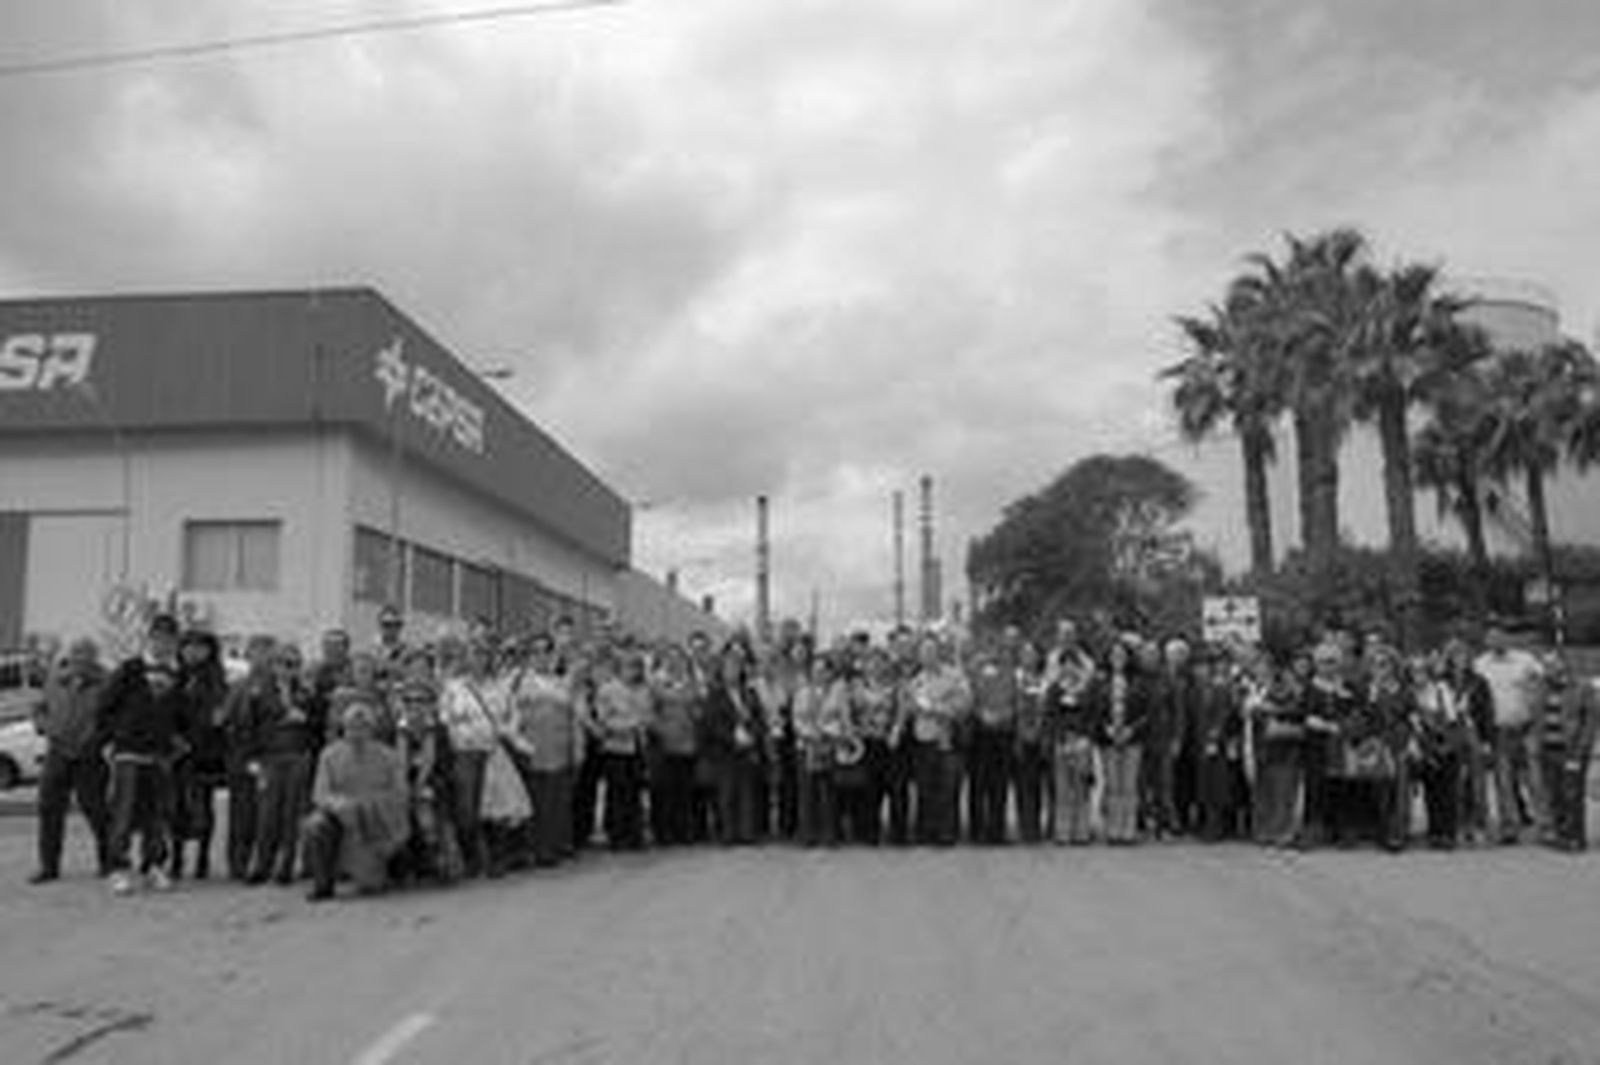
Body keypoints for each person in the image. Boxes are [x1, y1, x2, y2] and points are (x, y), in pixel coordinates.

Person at [99, 613, 187, 895]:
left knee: (158, 815)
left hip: (161, 756)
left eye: (170, 639)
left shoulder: (179, 674)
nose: (164, 644)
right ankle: (118, 868)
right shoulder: (130, 669)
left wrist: (182, 741)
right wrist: (112, 739)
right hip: (129, 754)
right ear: (149, 639)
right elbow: (105, 706)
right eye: (158, 638)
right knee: (122, 813)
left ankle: (154, 866)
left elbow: (184, 717)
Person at [302, 701, 411, 902]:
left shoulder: (388, 756)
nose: (356, 733)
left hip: (376, 823)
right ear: (343, 729)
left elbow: (400, 793)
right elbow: (319, 793)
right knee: (315, 825)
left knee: (372, 887)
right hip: (341, 817)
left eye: (362, 727)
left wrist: (368, 805)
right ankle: (323, 884)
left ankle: (388, 869)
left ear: (372, 730)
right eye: (351, 728)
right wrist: (338, 804)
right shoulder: (329, 755)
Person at [30, 638, 112, 884]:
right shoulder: (55, 679)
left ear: (95, 658)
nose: (81, 660)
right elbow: (39, 709)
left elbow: (112, 717)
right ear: (70, 657)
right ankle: (49, 866)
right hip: (57, 752)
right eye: (77, 655)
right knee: (49, 808)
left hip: (90, 755)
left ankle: (108, 862)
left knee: (95, 809)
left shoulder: (107, 682)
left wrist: (96, 739)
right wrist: (46, 727)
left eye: (87, 655)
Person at [242, 643, 317, 885]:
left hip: (297, 756)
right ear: (274, 665)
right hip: (270, 758)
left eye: (294, 664)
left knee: (291, 814)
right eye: (284, 663)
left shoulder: (306, 691)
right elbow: (249, 727)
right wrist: (251, 758)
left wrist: (306, 718)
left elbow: (317, 724)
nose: (289, 669)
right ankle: (261, 865)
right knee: (267, 814)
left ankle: (285, 867)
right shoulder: (259, 691)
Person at [508, 633, 583, 866]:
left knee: (557, 801)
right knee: (535, 801)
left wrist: (578, 747)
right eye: (535, 652)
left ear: (552, 655)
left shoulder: (563, 682)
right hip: (532, 749)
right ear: (529, 656)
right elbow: (510, 715)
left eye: (545, 651)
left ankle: (556, 846)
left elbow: (574, 718)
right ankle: (536, 849)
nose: (540, 656)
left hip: (559, 749)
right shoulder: (519, 680)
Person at [1474, 622, 1547, 844]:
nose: (1496, 640)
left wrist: (1535, 706)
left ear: (1508, 638)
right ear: (1486, 641)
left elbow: (1543, 680)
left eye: (1501, 636)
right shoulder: (1480, 664)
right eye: (1492, 637)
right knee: (1503, 782)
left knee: (1534, 780)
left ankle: (1545, 825)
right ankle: (1510, 827)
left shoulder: (1525, 660)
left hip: (1525, 728)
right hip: (1498, 731)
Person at [437, 636, 501, 878]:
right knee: (466, 808)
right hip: (464, 752)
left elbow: (502, 714)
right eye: (474, 654)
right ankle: (471, 858)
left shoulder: (495, 685)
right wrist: (460, 729)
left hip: (491, 751)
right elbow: (445, 718)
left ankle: (487, 858)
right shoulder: (454, 686)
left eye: (484, 654)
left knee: (488, 807)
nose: (479, 659)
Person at [170, 630, 229, 880]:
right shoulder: (174, 677)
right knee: (175, 806)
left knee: (203, 805)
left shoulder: (215, 679)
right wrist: (173, 737)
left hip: (204, 752)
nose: (193, 651)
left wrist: (195, 739)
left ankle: (203, 859)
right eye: (188, 646)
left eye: (199, 647)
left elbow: (216, 716)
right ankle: (176, 858)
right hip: (175, 751)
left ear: (209, 651)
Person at [905, 636, 972, 847]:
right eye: (924, 652)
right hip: (923, 739)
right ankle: (926, 833)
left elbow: (965, 704)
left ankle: (947, 834)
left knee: (948, 789)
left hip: (948, 740)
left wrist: (937, 709)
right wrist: (915, 708)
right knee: (925, 789)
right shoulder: (916, 680)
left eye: (932, 651)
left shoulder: (954, 676)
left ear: (940, 653)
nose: (928, 655)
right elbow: (909, 706)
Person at [701, 647, 764, 845]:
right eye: (728, 668)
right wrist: (732, 738)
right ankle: (728, 834)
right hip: (725, 749)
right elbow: (711, 722)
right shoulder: (715, 694)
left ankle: (747, 833)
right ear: (721, 671)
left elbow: (759, 718)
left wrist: (753, 735)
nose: (733, 672)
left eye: (737, 667)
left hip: (747, 749)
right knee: (727, 793)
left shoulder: (750, 693)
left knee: (747, 792)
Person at [1093, 638, 1152, 845]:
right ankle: (1113, 830)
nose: (1118, 658)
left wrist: (1131, 729)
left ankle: (1128, 830)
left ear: (1129, 658)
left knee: (1129, 786)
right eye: (1113, 655)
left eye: (1122, 655)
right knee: (1112, 785)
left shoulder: (1139, 681)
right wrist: (1105, 728)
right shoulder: (1100, 681)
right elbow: (1093, 710)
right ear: (1108, 658)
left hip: (1132, 738)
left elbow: (1147, 712)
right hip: (1107, 739)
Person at [590, 652, 651, 851]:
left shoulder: (642, 690)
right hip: (615, 748)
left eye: (635, 667)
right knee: (617, 794)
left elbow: (646, 715)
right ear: (619, 669)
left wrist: (640, 725)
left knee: (634, 793)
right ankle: (618, 836)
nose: (632, 671)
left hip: (637, 747)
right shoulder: (607, 689)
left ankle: (635, 836)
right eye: (628, 666)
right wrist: (628, 726)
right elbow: (603, 718)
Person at [1538, 653, 1598, 852]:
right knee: (1555, 795)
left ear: (1562, 665)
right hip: (1548, 748)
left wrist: (1581, 750)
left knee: (1572, 794)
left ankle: (1575, 837)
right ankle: (1561, 833)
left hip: (1571, 750)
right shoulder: (1543, 688)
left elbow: (1590, 721)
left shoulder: (1582, 687)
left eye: (1551, 665)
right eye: (1545, 666)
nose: (1547, 669)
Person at [649, 644, 702, 847]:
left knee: (684, 791)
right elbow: (650, 712)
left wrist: (696, 715)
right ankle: (664, 833)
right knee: (664, 792)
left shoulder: (692, 683)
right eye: (669, 658)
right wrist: (661, 730)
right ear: (663, 660)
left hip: (688, 744)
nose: (674, 662)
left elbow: (698, 709)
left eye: (678, 658)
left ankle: (683, 831)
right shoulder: (655, 683)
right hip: (664, 745)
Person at [967, 645, 1017, 845]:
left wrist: (1005, 714)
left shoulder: (1009, 672)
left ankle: (997, 831)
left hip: (1003, 733)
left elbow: (1014, 699)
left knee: (1000, 785)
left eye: (998, 649)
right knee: (978, 784)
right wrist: (981, 714)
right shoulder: (975, 670)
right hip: (980, 734)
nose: (994, 652)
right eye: (990, 647)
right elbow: (971, 697)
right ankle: (977, 831)